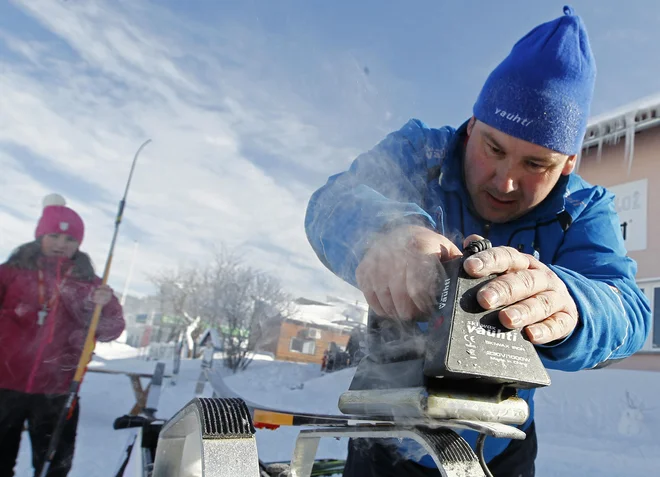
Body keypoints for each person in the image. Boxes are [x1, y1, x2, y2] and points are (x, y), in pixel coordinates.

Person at [304, 6, 651, 477]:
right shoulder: (419, 152)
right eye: (494, 149)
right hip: (385, 429)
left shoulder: (586, 208)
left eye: (536, 165)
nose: (505, 183)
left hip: (500, 442)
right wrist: (384, 232)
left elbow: (628, 308)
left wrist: (571, 302)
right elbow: (332, 202)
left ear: (568, 163)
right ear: (472, 127)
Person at [0, 193, 125, 476]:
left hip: (58, 390)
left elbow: (111, 331)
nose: (61, 244)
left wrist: (105, 307)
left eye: (70, 240)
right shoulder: (10, 273)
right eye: (54, 236)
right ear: (40, 235)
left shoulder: (90, 283)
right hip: (3, 384)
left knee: (54, 468)